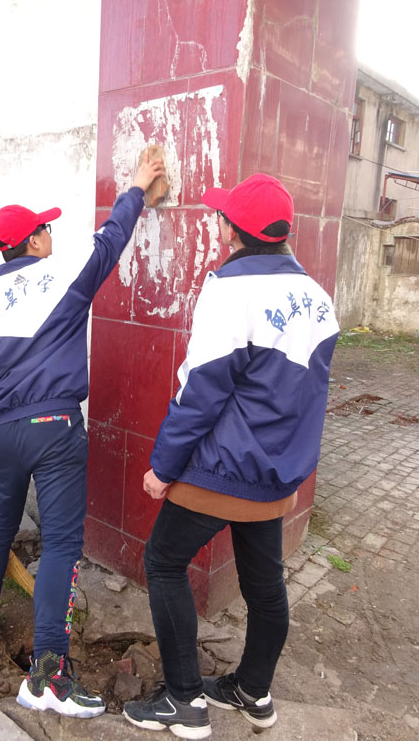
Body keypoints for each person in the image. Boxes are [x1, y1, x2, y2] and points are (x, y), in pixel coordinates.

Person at [123, 173, 340, 739]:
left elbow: (201, 391)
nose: (218, 222)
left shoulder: (229, 288)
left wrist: (163, 467)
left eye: (222, 216)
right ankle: (252, 691)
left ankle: (183, 700)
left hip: (222, 467)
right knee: (265, 585)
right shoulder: (319, 300)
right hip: (275, 473)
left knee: (163, 561)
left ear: (233, 230)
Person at [0, 153, 165, 718]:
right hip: (54, 427)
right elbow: (111, 241)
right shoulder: (62, 275)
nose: (52, 235)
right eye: (46, 229)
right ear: (33, 241)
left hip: (2, 432)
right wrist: (136, 190)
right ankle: (48, 677)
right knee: (62, 545)